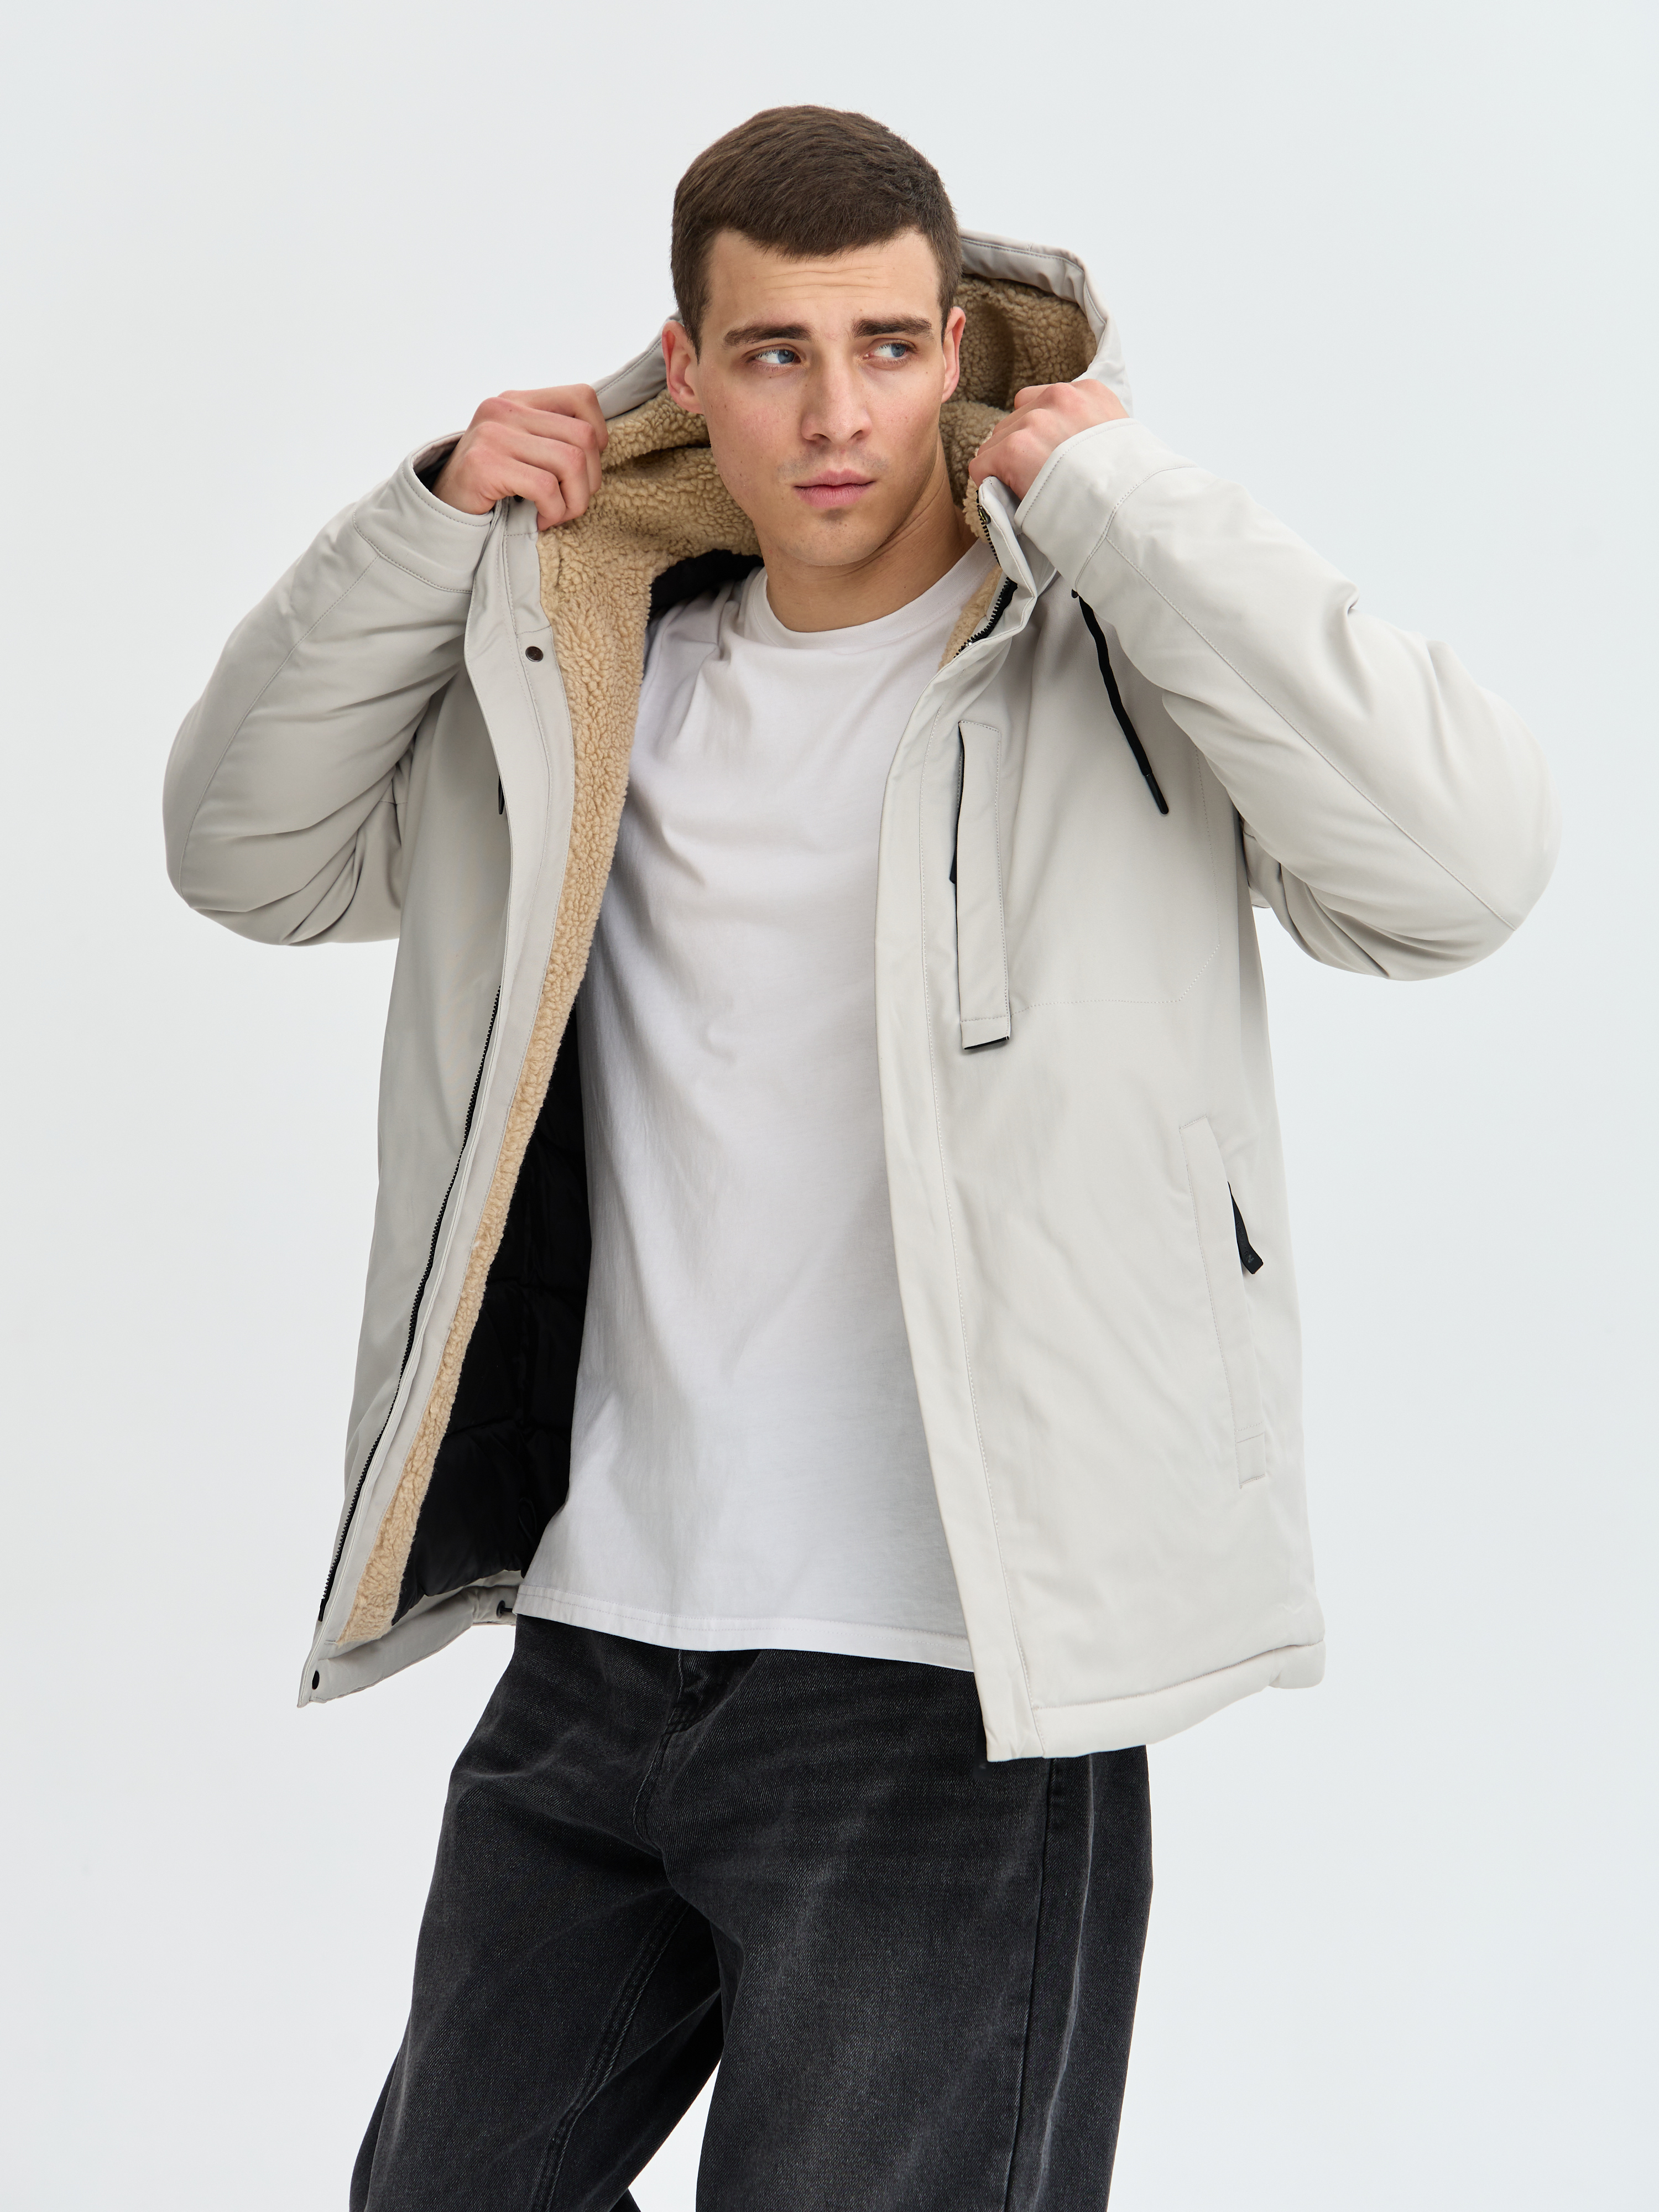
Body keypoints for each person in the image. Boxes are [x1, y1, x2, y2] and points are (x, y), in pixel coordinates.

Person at [163, 105, 1558, 2211]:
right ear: (686, 371)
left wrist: (1139, 506)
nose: (838, 416)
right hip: (600, 1640)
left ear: (957, 356)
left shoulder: (1113, 658)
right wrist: (428, 524)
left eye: (890, 348)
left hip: (951, 1678)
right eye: (776, 354)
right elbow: (241, 851)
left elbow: (1457, 876)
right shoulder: (579, 677)